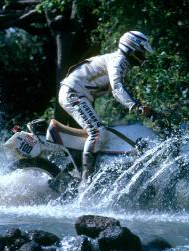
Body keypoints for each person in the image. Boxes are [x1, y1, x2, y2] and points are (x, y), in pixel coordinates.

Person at [58, 31, 154, 186]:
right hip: (73, 94)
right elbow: (117, 89)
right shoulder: (118, 61)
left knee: (102, 132)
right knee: (98, 132)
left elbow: (121, 92)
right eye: (142, 51)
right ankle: (86, 181)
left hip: (77, 94)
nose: (143, 55)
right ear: (132, 48)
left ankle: (79, 170)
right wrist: (137, 107)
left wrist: (139, 105)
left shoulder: (120, 61)